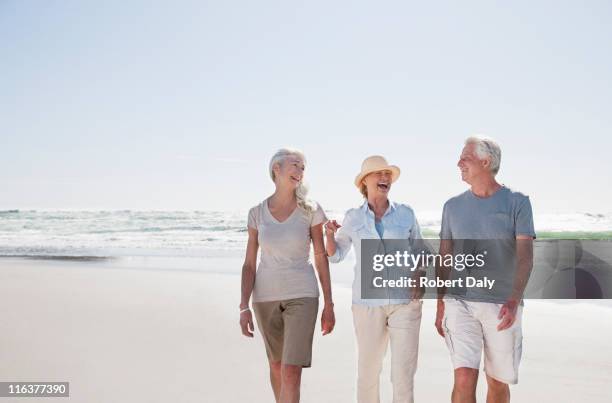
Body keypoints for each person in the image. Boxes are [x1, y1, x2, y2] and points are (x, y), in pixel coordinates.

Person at [435, 136, 536, 403]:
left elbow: (525, 258)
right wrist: (440, 303)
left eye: (465, 158)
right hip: (460, 303)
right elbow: (445, 257)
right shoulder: (452, 207)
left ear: (485, 161)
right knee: (464, 378)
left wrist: (513, 300)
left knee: (497, 382)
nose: (458, 163)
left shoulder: (518, 202)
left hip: (502, 306)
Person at [325, 155, 425, 403]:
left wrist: (420, 277)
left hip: (405, 302)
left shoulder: (406, 214)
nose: (385, 178)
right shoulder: (353, 218)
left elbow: (421, 251)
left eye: (388, 174)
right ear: (365, 182)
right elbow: (336, 255)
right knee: (368, 373)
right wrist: (328, 235)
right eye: (379, 173)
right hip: (367, 304)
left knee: (403, 376)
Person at [239, 148, 335, 403]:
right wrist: (243, 307)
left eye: (303, 168)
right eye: (295, 165)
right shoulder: (256, 213)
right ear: (276, 169)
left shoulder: (310, 209)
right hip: (265, 297)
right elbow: (249, 264)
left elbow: (320, 256)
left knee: (291, 371)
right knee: (276, 366)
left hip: (302, 294)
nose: (300, 172)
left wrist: (329, 303)